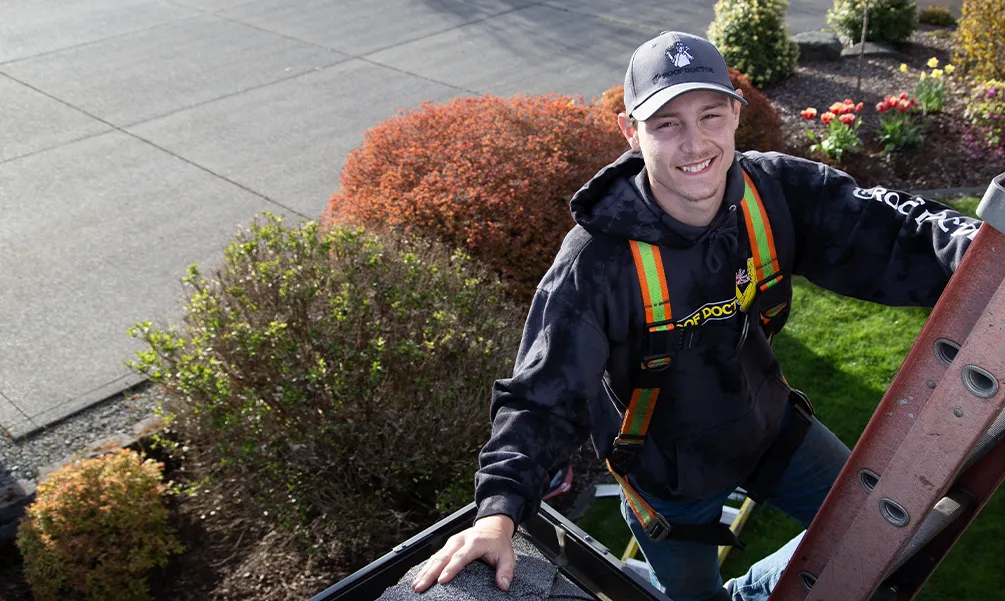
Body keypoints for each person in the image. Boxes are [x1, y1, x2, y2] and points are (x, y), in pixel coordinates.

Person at [411, 31, 979, 601]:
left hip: (769, 427)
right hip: (669, 479)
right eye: (666, 124)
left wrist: (984, 253)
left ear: (735, 112)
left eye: (710, 114)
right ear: (630, 132)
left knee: (882, 528)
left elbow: (888, 228)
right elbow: (542, 396)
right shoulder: (598, 262)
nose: (694, 143)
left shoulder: (774, 193)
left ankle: (750, 592)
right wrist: (498, 513)